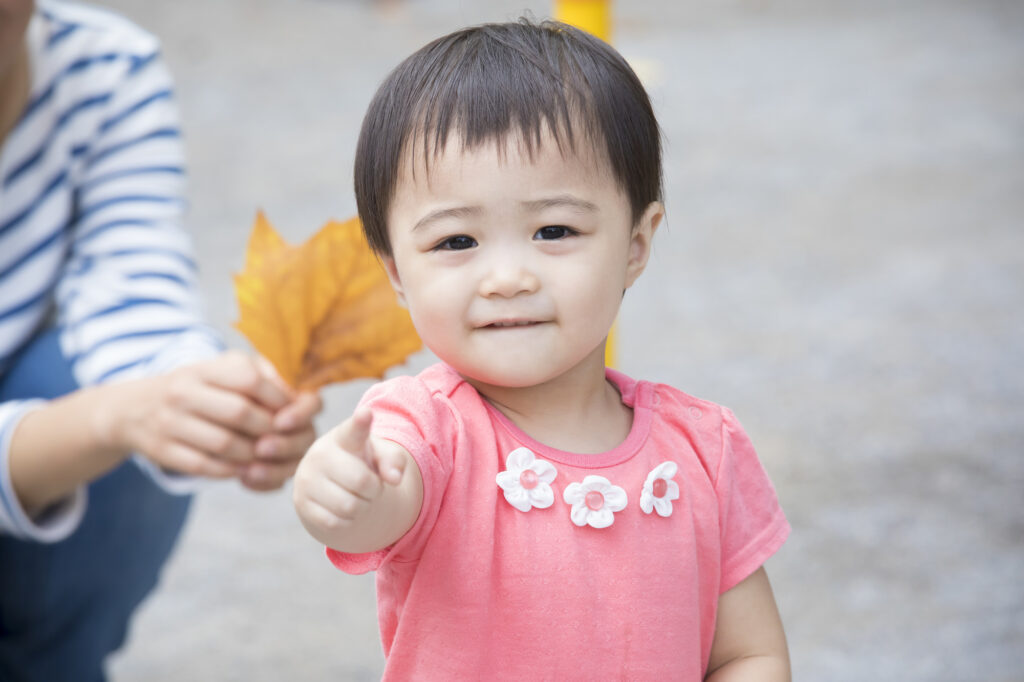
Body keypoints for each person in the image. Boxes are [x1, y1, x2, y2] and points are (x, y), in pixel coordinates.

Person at [292, 19, 790, 681]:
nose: (507, 278)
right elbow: (382, 505)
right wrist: (345, 492)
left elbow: (748, 653)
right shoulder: (427, 431)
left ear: (636, 243)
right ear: (393, 272)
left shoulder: (705, 447)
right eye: (456, 242)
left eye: (554, 230)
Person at [0, 1, 321, 679]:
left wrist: (214, 403)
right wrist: (115, 416)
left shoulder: (105, 65)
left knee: (156, 401)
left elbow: (136, 304)